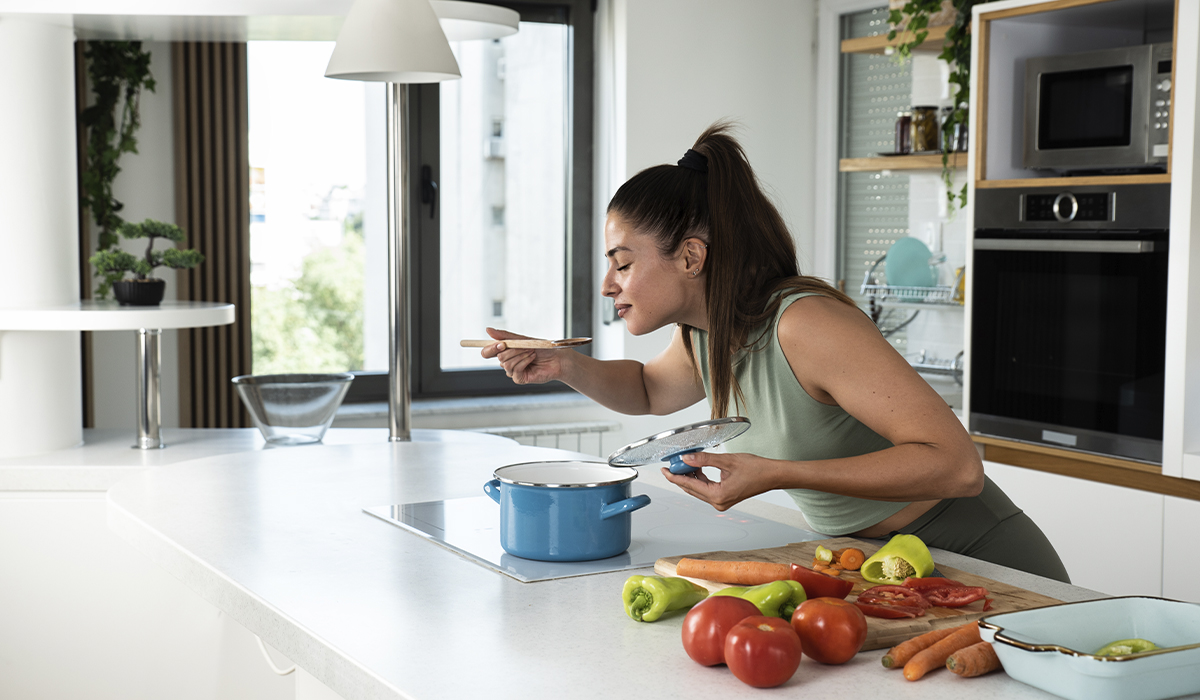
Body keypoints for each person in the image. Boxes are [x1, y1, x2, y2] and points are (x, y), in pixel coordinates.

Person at [480, 121, 1070, 583]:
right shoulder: (707, 331)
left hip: (981, 557)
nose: (609, 286)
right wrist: (565, 365)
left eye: (624, 264)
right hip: (879, 563)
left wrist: (774, 474)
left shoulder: (804, 324)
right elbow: (649, 391)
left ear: (690, 257)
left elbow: (958, 467)